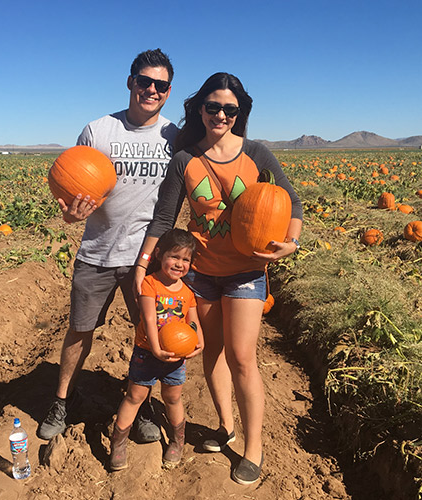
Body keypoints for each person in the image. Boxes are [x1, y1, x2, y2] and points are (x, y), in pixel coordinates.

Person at [134, 72, 303, 485]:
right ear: (200, 109)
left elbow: (292, 200)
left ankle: (253, 447)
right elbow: (164, 218)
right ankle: (225, 426)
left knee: (243, 357)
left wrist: (291, 242)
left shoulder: (258, 154)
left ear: (239, 111)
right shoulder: (185, 160)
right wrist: (144, 263)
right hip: (203, 273)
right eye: (213, 107)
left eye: (230, 108)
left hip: (246, 272)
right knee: (213, 353)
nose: (221, 115)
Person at [37, 49, 178, 443]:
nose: (151, 89)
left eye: (160, 85)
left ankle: (143, 403)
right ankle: (62, 400)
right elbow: (71, 196)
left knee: (150, 334)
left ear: (168, 92)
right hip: (97, 252)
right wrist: (71, 217)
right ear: (131, 82)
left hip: (147, 258)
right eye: (145, 81)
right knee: (79, 331)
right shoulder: (98, 131)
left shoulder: (173, 137)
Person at [109, 228, 204, 470]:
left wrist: (199, 341)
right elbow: (149, 319)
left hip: (175, 357)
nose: (179, 264)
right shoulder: (150, 284)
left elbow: (192, 322)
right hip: (147, 353)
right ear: (159, 255)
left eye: (185, 259)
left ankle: (176, 441)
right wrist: (155, 348)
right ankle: (118, 444)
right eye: (174, 257)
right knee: (135, 396)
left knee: (172, 398)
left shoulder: (187, 293)